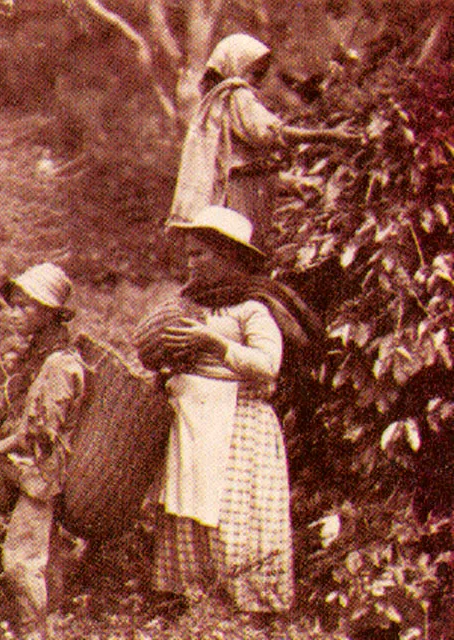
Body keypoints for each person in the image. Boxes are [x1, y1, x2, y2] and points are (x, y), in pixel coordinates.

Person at [134, 206, 322, 625]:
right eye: (189, 255)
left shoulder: (253, 308)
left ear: (229, 257)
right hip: (192, 421)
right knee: (186, 513)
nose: (191, 263)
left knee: (234, 513)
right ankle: (192, 599)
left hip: (238, 423)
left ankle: (247, 608)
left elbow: (267, 364)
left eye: (200, 255)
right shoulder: (190, 303)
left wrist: (213, 343)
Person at [0, 263, 85, 640]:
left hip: (40, 474)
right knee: (44, 557)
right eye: (15, 305)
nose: (15, 314)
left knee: (21, 561)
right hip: (32, 472)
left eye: (27, 307)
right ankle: (47, 626)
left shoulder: (58, 363)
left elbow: (40, 433)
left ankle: (33, 633)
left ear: (50, 314)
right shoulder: (36, 357)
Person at [168, 33, 361, 243]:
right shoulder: (236, 94)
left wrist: (288, 183)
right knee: (243, 246)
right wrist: (329, 135)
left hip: (238, 187)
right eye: (256, 75)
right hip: (243, 192)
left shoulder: (218, 101)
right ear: (236, 66)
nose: (257, 84)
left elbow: (242, 158)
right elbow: (271, 132)